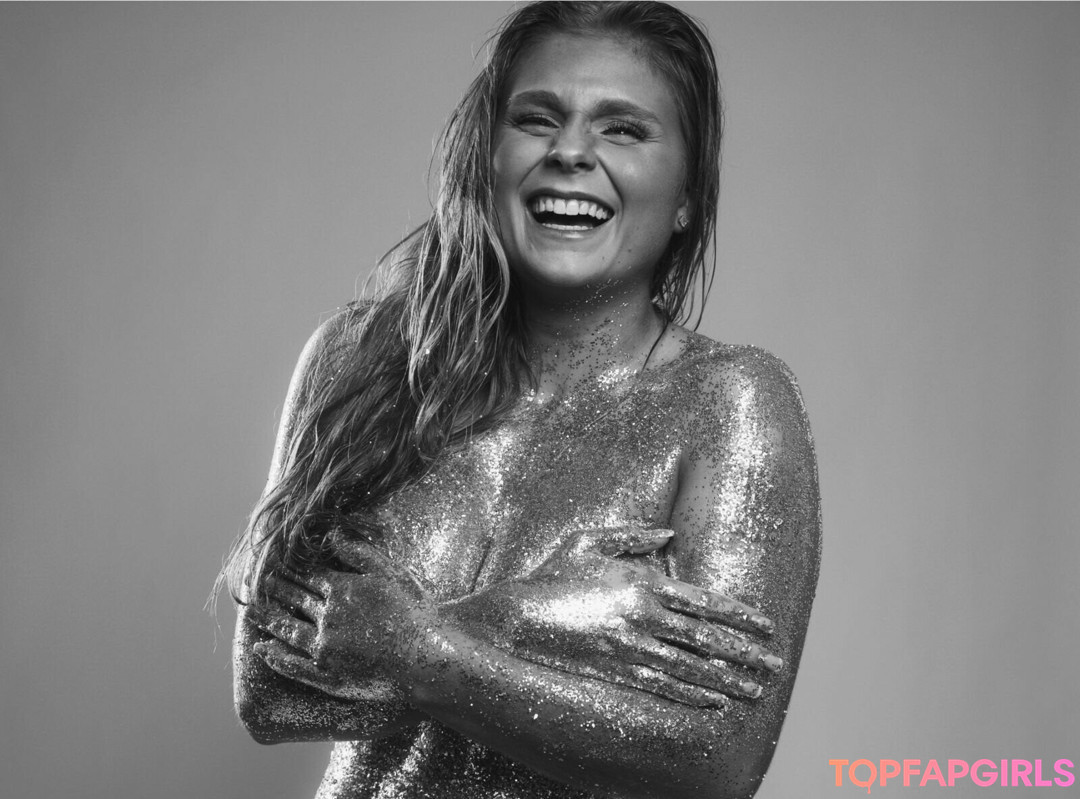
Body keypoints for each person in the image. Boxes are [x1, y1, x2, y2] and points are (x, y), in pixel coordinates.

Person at [220, 2, 821, 797]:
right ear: (488, 157)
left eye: (623, 129)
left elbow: (719, 761)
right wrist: (527, 613)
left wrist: (410, 646)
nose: (570, 151)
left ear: (686, 195)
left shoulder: (729, 402)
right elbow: (270, 694)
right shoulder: (357, 360)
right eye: (537, 119)